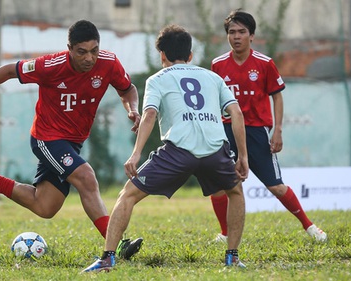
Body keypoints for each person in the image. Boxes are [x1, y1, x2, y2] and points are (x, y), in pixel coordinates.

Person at [0, 20, 143, 259]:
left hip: (72, 142)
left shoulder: (108, 63)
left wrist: (133, 108)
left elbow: (127, 89)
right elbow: (8, 70)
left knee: (45, 207)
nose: (89, 58)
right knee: (86, 178)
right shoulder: (49, 65)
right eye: (82, 52)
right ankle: (117, 245)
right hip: (47, 138)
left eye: (94, 51)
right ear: (69, 48)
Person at [83, 24, 249, 272]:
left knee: (127, 195)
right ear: (190, 55)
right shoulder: (213, 77)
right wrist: (243, 155)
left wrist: (136, 154)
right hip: (216, 151)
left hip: (178, 153)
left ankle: (107, 259)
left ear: (162, 55)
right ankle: (232, 258)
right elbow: (236, 113)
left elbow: (149, 114)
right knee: (235, 193)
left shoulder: (157, 79)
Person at [209, 9, 327, 243]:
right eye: (232, 32)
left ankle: (310, 226)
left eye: (242, 32)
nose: (236, 37)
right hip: (227, 130)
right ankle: (225, 234)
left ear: (251, 36)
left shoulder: (264, 64)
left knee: (275, 186)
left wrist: (278, 130)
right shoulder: (218, 65)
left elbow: (277, 96)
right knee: (220, 187)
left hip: (257, 132)